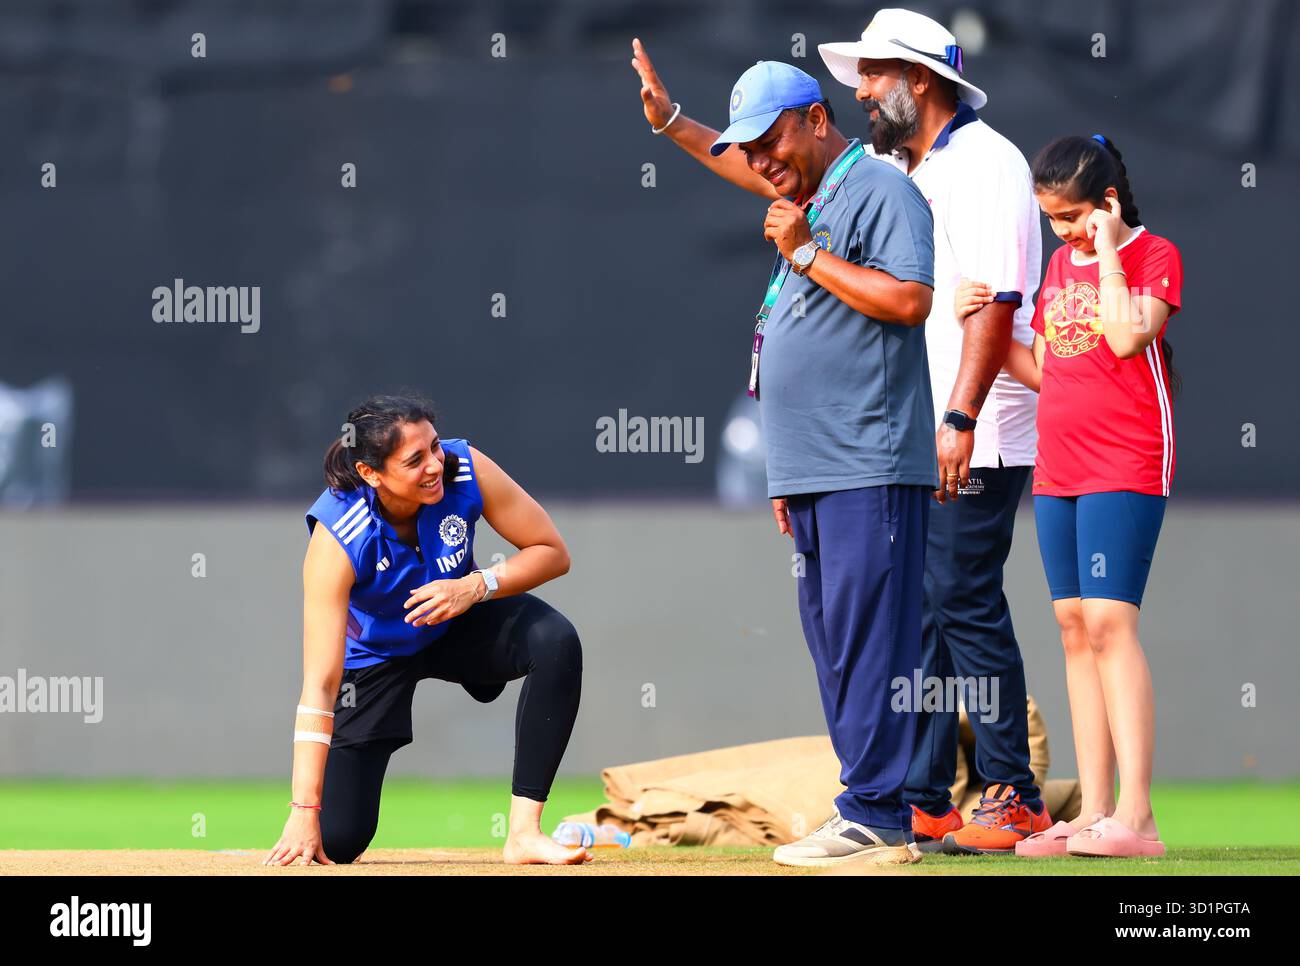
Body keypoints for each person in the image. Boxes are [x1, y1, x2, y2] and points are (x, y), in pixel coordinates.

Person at [633, 5, 1051, 857]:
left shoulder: (962, 167)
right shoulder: (873, 169)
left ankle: (991, 790)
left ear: (920, 79)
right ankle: (917, 797)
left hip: (945, 427)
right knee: (897, 623)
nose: (860, 86)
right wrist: (677, 125)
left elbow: (963, 302)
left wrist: (960, 416)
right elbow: (757, 169)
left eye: (873, 73)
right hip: (854, 444)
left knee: (946, 609)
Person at [632, 51, 939, 867]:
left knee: (871, 640)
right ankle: (870, 809)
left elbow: (911, 301)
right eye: (751, 148)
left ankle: (877, 813)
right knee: (836, 643)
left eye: (772, 140)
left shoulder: (879, 188)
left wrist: (805, 254)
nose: (763, 160)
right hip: (813, 467)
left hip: (867, 459)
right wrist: (671, 123)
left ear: (815, 118)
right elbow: (740, 165)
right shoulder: (808, 195)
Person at [956, 134, 1182, 857]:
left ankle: (1139, 819)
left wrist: (1109, 249)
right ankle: (1095, 810)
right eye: (1055, 220)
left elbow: (1121, 339)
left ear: (1109, 201)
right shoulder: (1058, 264)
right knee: (1073, 625)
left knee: (1112, 622)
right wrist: (977, 322)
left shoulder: (1154, 255)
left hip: (1127, 458)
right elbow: (1049, 370)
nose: (1067, 233)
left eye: (1078, 216)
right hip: (1061, 462)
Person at [263, 393, 588, 867]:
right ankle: (327, 819)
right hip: (375, 660)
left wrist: (476, 586)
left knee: (555, 641)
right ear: (372, 474)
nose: (436, 464)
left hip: (458, 619)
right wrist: (303, 810)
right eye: (415, 459)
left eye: (434, 447)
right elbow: (321, 684)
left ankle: (523, 834)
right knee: (337, 841)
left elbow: (552, 551)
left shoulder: (463, 467)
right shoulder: (338, 535)